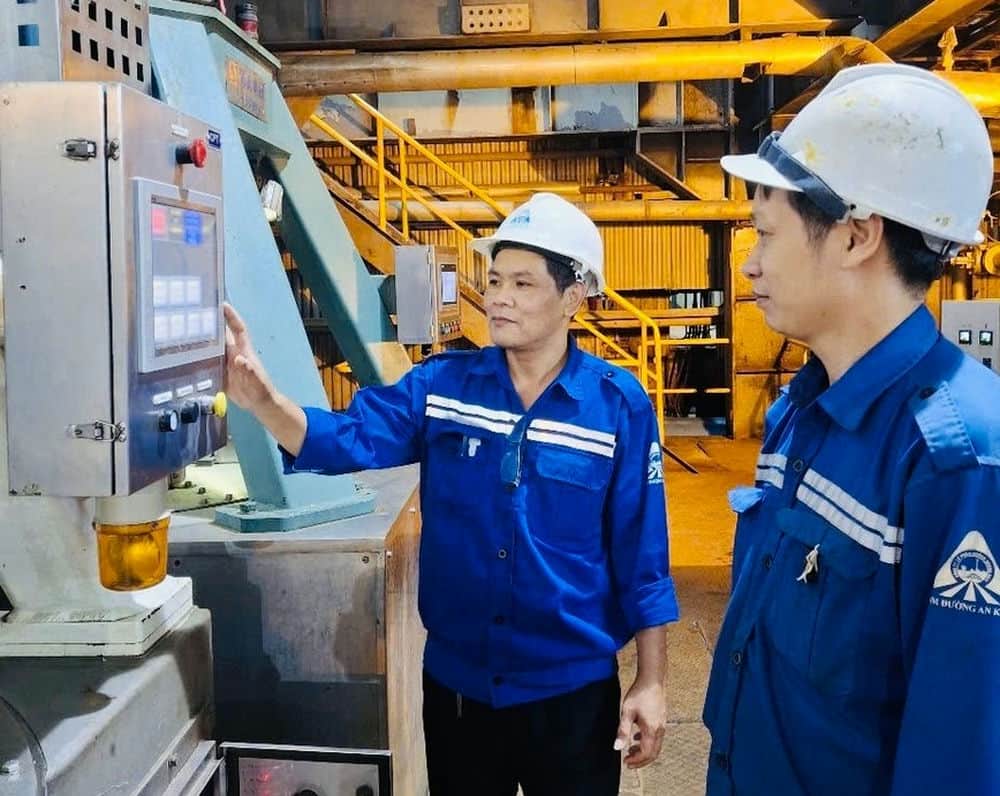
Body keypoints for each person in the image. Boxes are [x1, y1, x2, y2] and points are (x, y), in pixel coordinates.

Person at [223, 192, 679, 795]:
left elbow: (643, 556)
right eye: (494, 280)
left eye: (522, 283)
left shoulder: (617, 407)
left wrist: (651, 680)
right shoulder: (442, 389)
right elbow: (346, 437)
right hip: (460, 695)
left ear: (573, 297)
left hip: (571, 696)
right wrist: (264, 402)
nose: (499, 297)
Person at [703, 63, 1000, 795]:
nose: (750, 266)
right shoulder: (799, 409)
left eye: (766, 235)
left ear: (856, 237)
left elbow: (957, 759)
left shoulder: (958, 460)